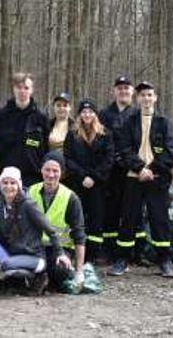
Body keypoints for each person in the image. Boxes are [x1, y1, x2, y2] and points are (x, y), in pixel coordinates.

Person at [109, 81, 173, 278]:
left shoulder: (164, 123)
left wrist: (151, 169)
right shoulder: (128, 122)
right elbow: (124, 149)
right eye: (142, 95)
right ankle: (122, 259)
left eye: (149, 95)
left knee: (160, 219)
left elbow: (169, 154)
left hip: (157, 178)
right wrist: (139, 168)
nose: (146, 99)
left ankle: (165, 260)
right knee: (129, 218)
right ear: (137, 99)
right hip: (133, 177)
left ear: (155, 98)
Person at [0, 167, 70, 295]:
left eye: (13, 183)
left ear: (19, 185)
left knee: (7, 265)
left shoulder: (28, 205)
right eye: (5, 182)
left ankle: (38, 276)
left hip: (34, 256)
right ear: (0, 185)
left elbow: (50, 230)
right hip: (14, 253)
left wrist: (60, 253)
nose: (9, 186)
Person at [27, 152, 87, 290]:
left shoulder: (71, 198)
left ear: (62, 173)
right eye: (47, 170)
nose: (51, 175)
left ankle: (50, 278)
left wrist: (79, 272)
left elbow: (79, 236)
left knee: (61, 271)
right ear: (41, 170)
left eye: (55, 171)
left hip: (59, 250)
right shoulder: (30, 192)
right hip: (35, 247)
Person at [65, 99, 113, 264]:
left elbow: (108, 159)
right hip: (78, 182)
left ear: (95, 114)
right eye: (84, 112)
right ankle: (77, 251)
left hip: (98, 184)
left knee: (97, 217)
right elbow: (68, 158)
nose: (87, 114)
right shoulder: (72, 134)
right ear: (79, 115)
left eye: (90, 111)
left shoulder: (105, 134)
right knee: (78, 217)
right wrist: (82, 176)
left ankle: (94, 253)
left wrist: (93, 177)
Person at [97, 75, 134, 259]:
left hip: (130, 168)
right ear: (114, 91)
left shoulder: (136, 114)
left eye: (127, 88)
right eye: (120, 88)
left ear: (132, 92)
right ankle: (108, 248)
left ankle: (132, 250)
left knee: (130, 209)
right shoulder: (104, 115)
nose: (123, 91)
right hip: (109, 170)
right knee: (110, 208)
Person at [0, 72, 49, 190]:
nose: (22, 91)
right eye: (19, 87)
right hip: (7, 174)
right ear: (13, 89)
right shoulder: (2, 115)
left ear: (31, 90)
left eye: (26, 88)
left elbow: (44, 146)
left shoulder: (41, 117)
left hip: (33, 174)